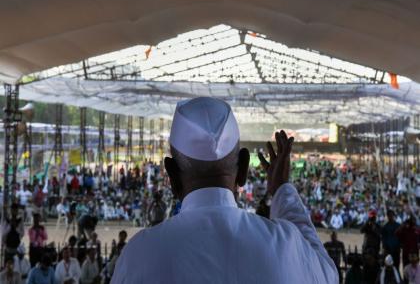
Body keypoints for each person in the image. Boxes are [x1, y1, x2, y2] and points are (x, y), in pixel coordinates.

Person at [111, 97, 338, 283]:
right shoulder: (285, 245)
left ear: (171, 175)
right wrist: (282, 190)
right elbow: (327, 274)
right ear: (243, 169)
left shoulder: (139, 256)